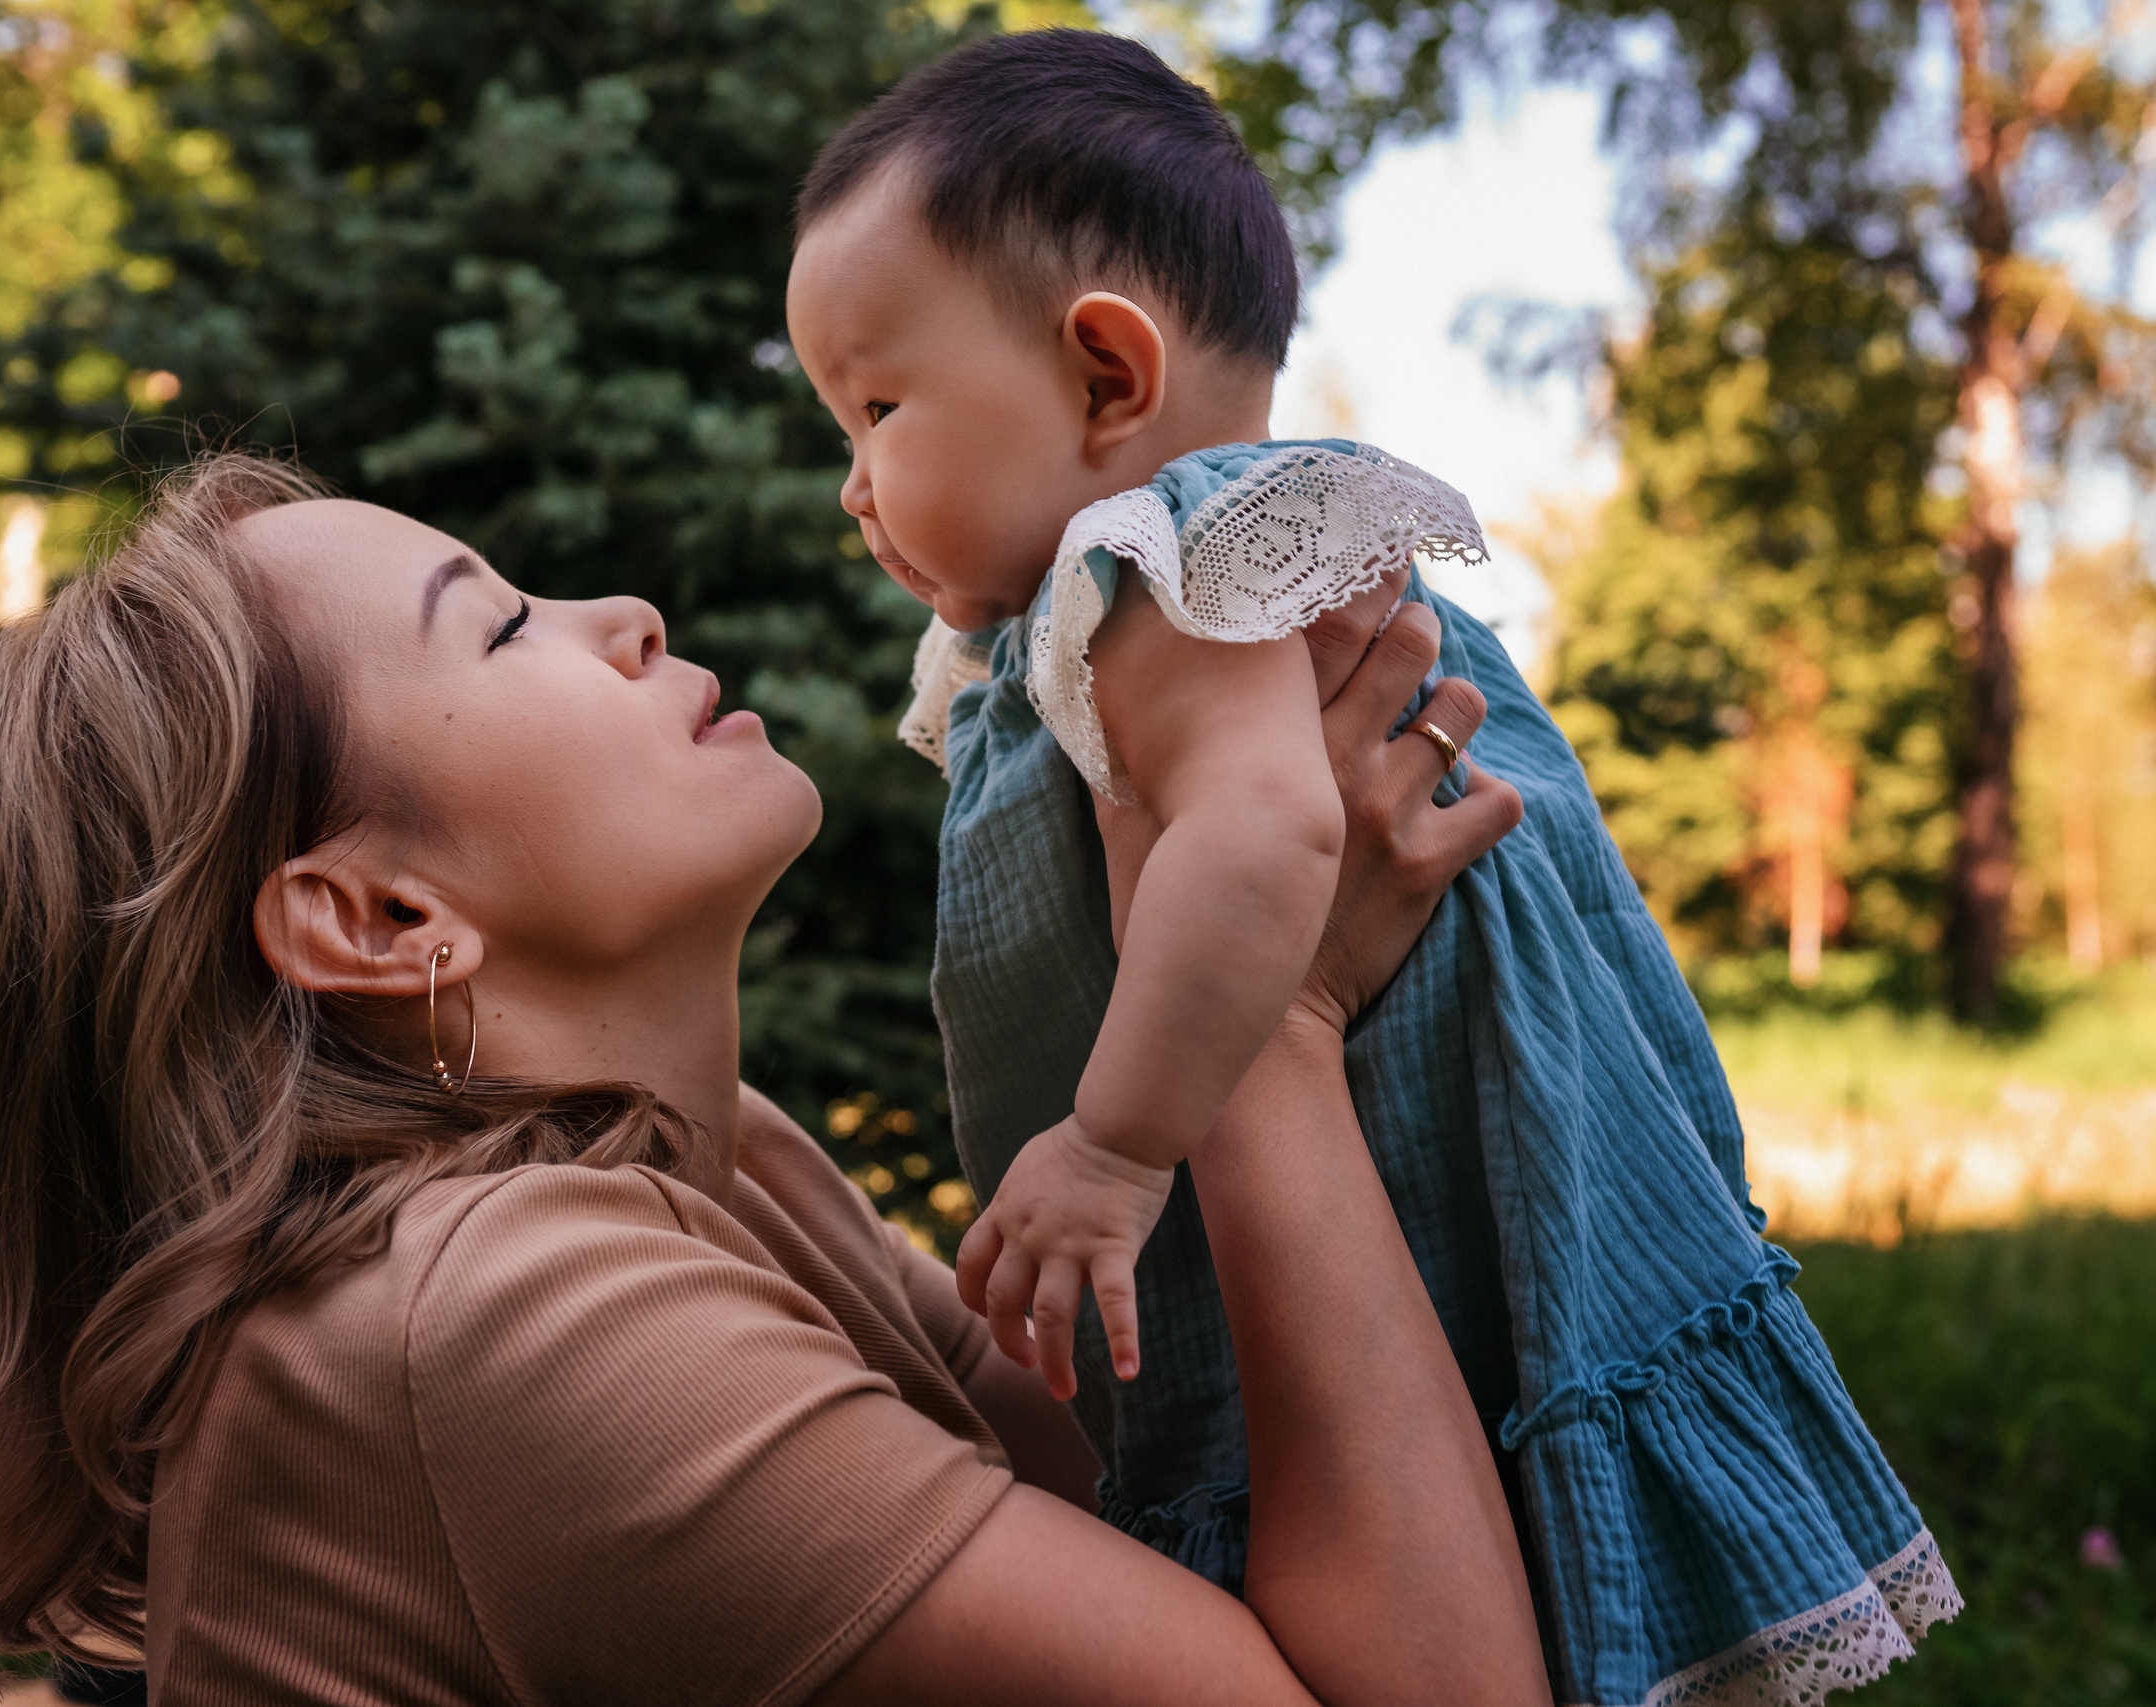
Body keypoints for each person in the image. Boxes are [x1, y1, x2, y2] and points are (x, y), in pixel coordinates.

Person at [0, 454, 1552, 1703]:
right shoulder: (500, 1322)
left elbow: (1136, 1526)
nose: (619, 613)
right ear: (383, 918)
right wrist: (1260, 1031)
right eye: (496, 626)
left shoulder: (713, 1165)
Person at [783, 29, 1960, 1705]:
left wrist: (1115, 1154)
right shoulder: (1118, 599)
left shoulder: (1169, 559)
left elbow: (1270, 837)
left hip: (1411, 1151)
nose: (853, 485)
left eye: (878, 406)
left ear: (1108, 378)